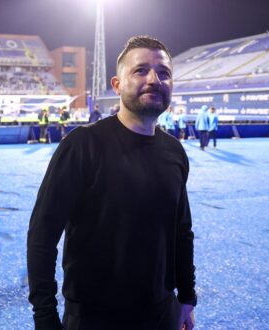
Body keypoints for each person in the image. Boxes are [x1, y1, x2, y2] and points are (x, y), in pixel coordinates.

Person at [27, 36, 196, 329]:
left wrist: (186, 297)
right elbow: (42, 235)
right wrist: (45, 317)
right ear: (116, 85)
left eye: (164, 73)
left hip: (161, 313)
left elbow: (181, 231)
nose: (154, 79)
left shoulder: (174, 152)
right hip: (95, 318)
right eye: (140, 70)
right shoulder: (83, 145)